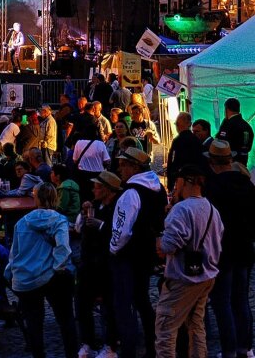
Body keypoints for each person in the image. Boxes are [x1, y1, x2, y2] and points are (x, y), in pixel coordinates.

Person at [154, 165, 223, 358]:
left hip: (183, 279)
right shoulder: (211, 209)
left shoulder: (181, 209)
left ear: (184, 181)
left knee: (165, 329)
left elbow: (167, 247)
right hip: (206, 276)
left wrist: (161, 234)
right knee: (196, 325)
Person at [4, 183, 78, 358]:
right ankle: (71, 353)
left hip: (27, 277)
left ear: (36, 198)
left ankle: (39, 354)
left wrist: (9, 273)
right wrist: (59, 267)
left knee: (34, 323)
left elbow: (15, 251)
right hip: (52, 275)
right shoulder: (59, 220)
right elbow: (63, 247)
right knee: (66, 320)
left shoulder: (22, 222)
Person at [110, 147, 167, 358]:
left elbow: (122, 229)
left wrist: (113, 249)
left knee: (124, 304)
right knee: (142, 299)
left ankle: (129, 349)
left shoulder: (131, 193)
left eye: (124, 164)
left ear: (134, 167)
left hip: (128, 255)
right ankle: (152, 346)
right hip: (146, 252)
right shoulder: (158, 188)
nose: (120, 168)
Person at [204, 138, 255, 358]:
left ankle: (230, 350)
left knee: (222, 303)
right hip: (244, 249)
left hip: (222, 251)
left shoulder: (212, 187)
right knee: (241, 300)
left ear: (213, 162)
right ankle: (245, 347)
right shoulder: (247, 185)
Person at [74, 171, 122, 358]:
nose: (93, 189)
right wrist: (82, 212)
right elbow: (78, 228)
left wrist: (101, 225)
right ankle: (87, 343)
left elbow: (120, 232)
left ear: (107, 190)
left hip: (106, 264)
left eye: (97, 186)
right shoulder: (92, 205)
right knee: (82, 304)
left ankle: (110, 346)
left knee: (109, 307)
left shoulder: (117, 208)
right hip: (87, 263)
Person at [166, 112, 203, 191]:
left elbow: (172, 162)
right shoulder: (196, 140)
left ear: (178, 125)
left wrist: (170, 184)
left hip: (180, 181)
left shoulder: (177, 141)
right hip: (195, 180)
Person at [217, 97, 253, 166]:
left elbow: (221, 142)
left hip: (229, 164)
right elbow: (247, 147)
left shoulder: (228, 124)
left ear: (226, 109)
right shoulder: (247, 126)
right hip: (243, 165)